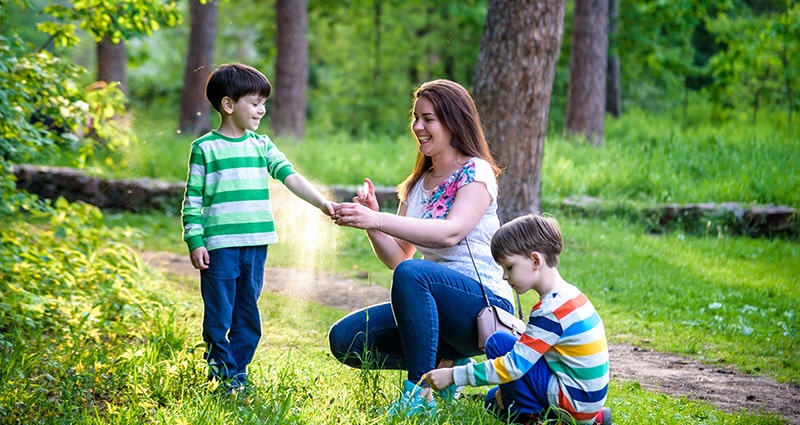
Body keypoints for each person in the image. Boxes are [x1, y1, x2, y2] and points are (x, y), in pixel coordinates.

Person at [327, 79, 516, 416]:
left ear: (453, 122)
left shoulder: (476, 171)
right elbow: (400, 256)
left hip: (483, 306)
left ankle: (419, 394)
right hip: (431, 304)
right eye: (415, 118)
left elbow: (450, 233)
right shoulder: (416, 185)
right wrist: (372, 226)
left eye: (428, 119)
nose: (418, 127)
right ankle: (447, 371)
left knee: (414, 274)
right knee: (346, 339)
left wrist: (378, 218)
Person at [181, 63, 334, 393]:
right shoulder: (205, 149)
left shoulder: (261, 145)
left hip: (255, 245)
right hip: (219, 247)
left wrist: (322, 203)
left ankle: (237, 374)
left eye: (264, 102)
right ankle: (221, 373)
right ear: (228, 104)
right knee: (219, 315)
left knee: (247, 314)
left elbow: (290, 176)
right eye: (255, 102)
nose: (262, 109)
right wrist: (195, 240)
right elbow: (192, 201)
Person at [424, 214, 612, 425]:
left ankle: (535, 419)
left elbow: (514, 366)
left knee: (498, 343)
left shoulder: (550, 311)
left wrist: (454, 376)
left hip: (573, 405)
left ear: (535, 260)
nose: (504, 276)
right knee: (492, 401)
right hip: (586, 402)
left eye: (509, 267)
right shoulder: (571, 296)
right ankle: (593, 419)